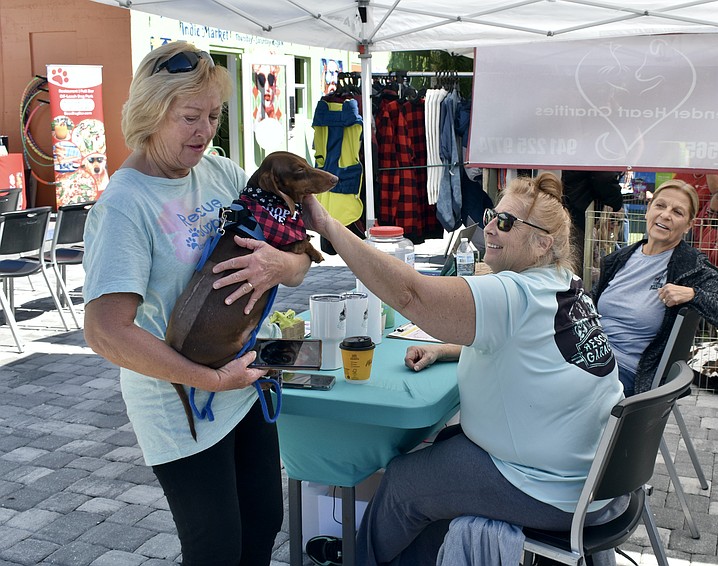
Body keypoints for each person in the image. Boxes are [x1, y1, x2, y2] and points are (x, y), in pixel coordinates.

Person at [300, 172, 626, 566]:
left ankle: (359, 557)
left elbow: (411, 294)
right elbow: (532, 347)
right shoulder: (564, 282)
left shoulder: (512, 292)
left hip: (548, 488)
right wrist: (447, 350)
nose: (489, 226)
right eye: (491, 215)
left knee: (404, 482)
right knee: (440, 461)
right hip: (595, 479)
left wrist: (329, 226)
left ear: (543, 243)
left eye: (506, 222)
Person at [82, 41, 311, 565]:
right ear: (151, 112)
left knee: (263, 522)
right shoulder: (125, 205)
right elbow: (106, 331)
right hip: (177, 402)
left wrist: (280, 265)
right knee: (215, 549)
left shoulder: (221, 173)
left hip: (242, 383)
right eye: (190, 117)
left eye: (213, 116)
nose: (205, 131)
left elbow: (299, 259)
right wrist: (209, 379)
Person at [592, 179, 718, 397]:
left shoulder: (691, 267)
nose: (665, 215)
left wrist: (694, 295)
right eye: (660, 206)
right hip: (589, 356)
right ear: (648, 210)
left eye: (677, 212)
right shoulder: (618, 259)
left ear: (688, 225)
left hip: (628, 373)